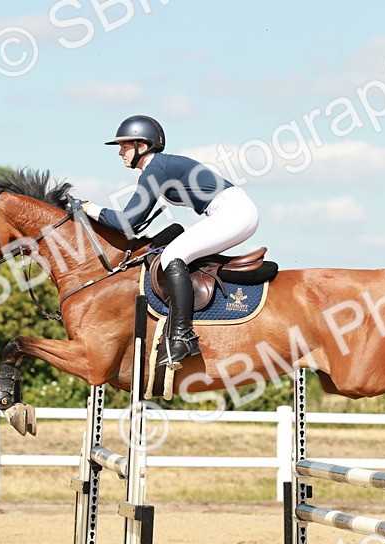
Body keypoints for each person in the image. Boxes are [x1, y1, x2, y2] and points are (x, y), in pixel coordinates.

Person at [84, 115, 259, 369]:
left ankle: (183, 336)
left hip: (233, 213)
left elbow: (128, 222)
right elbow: (137, 224)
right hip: (232, 211)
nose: (120, 152)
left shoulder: (156, 169)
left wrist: (88, 208)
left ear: (141, 147)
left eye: (124, 146)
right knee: (174, 250)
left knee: (171, 256)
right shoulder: (159, 168)